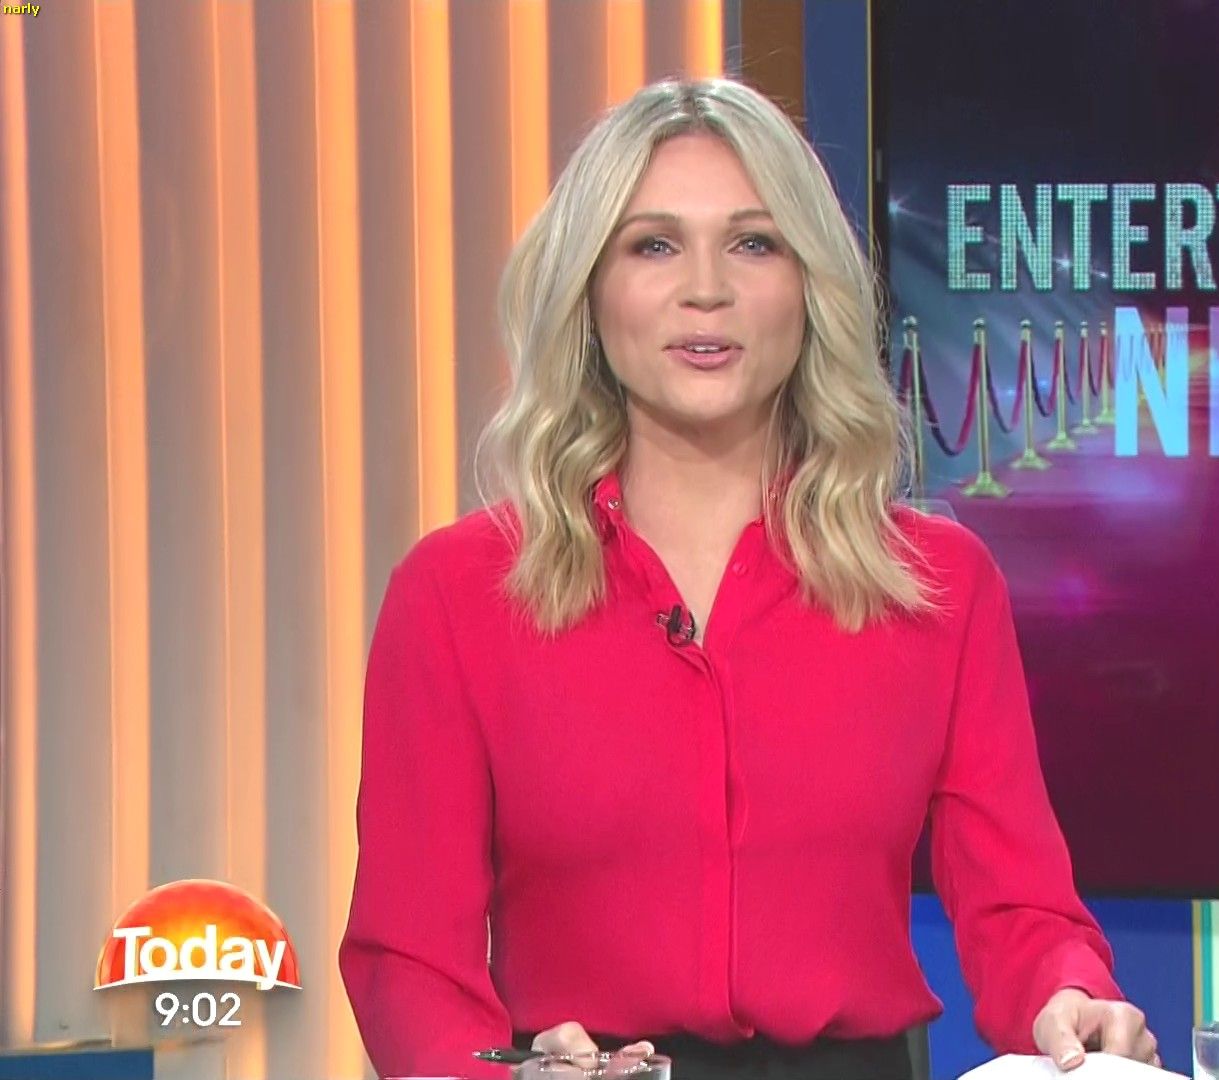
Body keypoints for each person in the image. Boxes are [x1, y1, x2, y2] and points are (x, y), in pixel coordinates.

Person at [338, 77, 1157, 1080]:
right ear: (589, 292)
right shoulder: (458, 595)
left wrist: (1068, 994)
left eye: (754, 243)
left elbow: (1020, 908)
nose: (706, 289)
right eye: (653, 245)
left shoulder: (936, 586)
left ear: (810, 287)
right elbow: (408, 960)